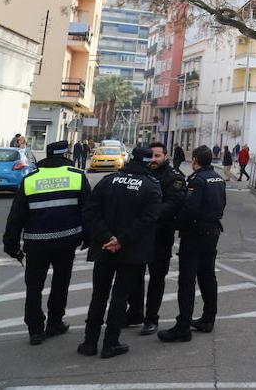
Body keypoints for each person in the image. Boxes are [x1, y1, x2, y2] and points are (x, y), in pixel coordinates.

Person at [2, 140, 91, 345]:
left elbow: (16, 216)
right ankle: (54, 323)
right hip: (66, 240)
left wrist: (11, 244)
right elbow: (88, 211)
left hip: (36, 243)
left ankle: (35, 330)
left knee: (34, 286)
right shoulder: (76, 176)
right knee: (61, 283)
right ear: (65, 154)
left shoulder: (31, 179)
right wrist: (89, 237)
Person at [79, 147, 160, 358]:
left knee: (99, 295)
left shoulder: (108, 180)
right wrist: (121, 240)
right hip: (131, 252)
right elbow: (147, 220)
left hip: (104, 249)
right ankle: (110, 343)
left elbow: (90, 211)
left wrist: (106, 237)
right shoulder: (151, 187)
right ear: (148, 163)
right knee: (120, 296)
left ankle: (89, 342)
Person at [159, 146, 226, 343]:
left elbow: (191, 209)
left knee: (187, 281)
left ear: (195, 160)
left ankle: (183, 327)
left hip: (195, 234)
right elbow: (222, 203)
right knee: (207, 277)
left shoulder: (197, 181)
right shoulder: (218, 178)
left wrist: (175, 223)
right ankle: (208, 318)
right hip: (212, 232)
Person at [124, 142, 186, 335]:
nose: (153, 160)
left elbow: (174, 203)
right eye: (151, 156)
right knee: (134, 275)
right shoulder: (139, 173)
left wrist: (149, 217)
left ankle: (151, 318)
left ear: (165, 157)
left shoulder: (174, 178)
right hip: (138, 235)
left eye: (157, 156)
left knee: (156, 278)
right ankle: (135, 312)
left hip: (160, 235)